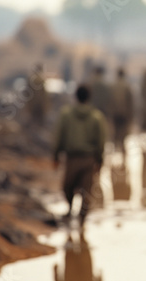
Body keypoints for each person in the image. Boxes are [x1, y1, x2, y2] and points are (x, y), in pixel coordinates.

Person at [52, 85, 106, 225]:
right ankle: (82, 218)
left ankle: (71, 209)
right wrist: (100, 159)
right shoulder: (97, 117)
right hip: (89, 160)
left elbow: (59, 136)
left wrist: (56, 155)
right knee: (86, 191)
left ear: (76, 97)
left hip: (71, 158)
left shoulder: (66, 115)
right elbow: (101, 141)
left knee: (67, 187)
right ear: (89, 97)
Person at [111, 67, 134, 156]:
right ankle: (123, 156)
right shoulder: (127, 86)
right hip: (124, 114)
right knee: (123, 136)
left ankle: (115, 156)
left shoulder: (113, 86)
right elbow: (130, 103)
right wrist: (131, 116)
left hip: (115, 114)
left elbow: (110, 101)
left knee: (116, 134)